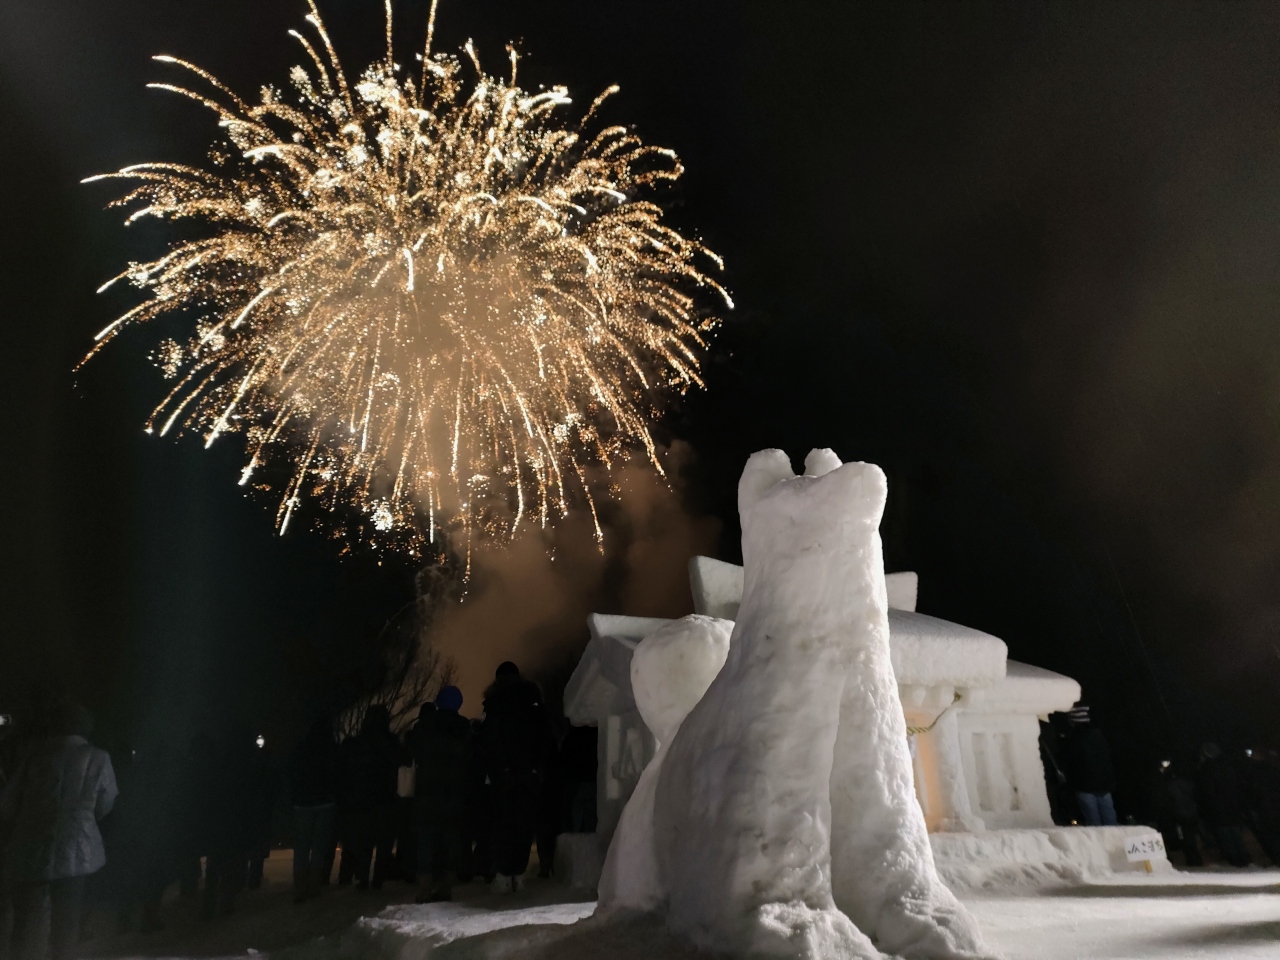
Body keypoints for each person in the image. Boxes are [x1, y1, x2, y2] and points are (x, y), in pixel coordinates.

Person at [1, 703, 118, 960]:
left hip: (31, 845)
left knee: (27, 920)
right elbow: (106, 802)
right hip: (78, 848)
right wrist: (84, 820)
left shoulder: (35, 757)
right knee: (67, 920)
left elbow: (7, 803)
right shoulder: (98, 757)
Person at [482, 662, 554, 892]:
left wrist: (497, 769)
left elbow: (490, 739)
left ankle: (504, 874)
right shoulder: (533, 699)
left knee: (503, 824)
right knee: (524, 822)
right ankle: (519, 872)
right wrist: (537, 767)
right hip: (528, 772)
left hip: (504, 774)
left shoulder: (494, 701)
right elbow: (545, 735)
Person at [411, 688, 471, 902]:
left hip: (427, 790)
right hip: (454, 791)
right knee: (451, 838)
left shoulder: (424, 725)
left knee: (426, 838)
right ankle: (446, 884)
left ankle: (424, 885)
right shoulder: (463, 727)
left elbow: (414, 753)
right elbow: (469, 758)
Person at [343, 705, 401, 889]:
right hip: (386, 797)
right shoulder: (391, 742)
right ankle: (378, 878)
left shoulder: (359, 743)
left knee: (364, 840)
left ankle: (362, 877)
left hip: (364, 798)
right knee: (384, 842)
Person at [289, 717, 340, 901]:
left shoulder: (301, 747)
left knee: (301, 846)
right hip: (325, 802)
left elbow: (292, 772)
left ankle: (299, 886)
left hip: (302, 802)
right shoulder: (331, 748)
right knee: (319, 846)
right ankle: (314, 884)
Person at [1061, 705, 1117, 826]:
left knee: (1093, 820)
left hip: (1084, 785)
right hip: (1103, 783)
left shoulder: (1072, 739)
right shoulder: (1098, 734)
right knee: (1110, 817)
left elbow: (1070, 763)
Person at [1196, 742, 1250, 867]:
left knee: (1225, 833)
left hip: (1217, 807)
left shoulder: (1206, 769)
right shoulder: (1227, 765)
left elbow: (1207, 791)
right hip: (1231, 805)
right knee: (1234, 831)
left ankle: (1234, 858)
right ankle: (1244, 857)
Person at [1151, 758, 1201, 867]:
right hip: (1190, 812)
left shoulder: (1169, 785)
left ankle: (1192, 859)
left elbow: (1169, 800)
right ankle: (1195, 858)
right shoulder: (1188, 783)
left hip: (1179, 814)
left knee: (1184, 837)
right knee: (1190, 836)